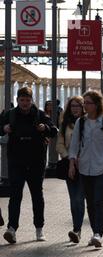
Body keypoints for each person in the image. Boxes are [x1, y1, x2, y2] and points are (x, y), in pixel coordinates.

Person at [0, 87, 58, 244]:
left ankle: (39, 229)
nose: (25, 103)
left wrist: (44, 128)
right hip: (16, 161)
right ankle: (11, 229)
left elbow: (54, 130)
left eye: (27, 100)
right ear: (18, 100)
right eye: (22, 100)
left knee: (37, 195)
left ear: (32, 100)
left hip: (36, 162)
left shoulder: (40, 114)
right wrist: (3, 128)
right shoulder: (9, 114)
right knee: (15, 195)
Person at [68, 90, 103, 248]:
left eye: (88, 103)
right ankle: (94, 231)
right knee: (90, 203)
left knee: (98, 201)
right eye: (84, 103)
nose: (85, 106)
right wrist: (72, 164)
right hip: (84, 167)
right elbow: (74, 145)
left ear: (97, 104)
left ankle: (98, 233)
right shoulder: (81, 122)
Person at [56, 96, 86, 244]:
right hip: (70, 165)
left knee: (80, 199)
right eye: (73, 106)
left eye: (78, 106)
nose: (75, 108)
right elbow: (59, 144)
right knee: (74, 199)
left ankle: (77, 229)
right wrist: (69, 158)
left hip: (86, 165)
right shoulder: (65, 125)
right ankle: (77, 229)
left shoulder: (89, 123)